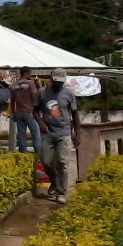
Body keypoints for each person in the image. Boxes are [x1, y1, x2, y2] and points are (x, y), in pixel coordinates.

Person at [34, 68, 80, 204]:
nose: (58, 84)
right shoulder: (42, 93)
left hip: (64, 133)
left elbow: (75, 114)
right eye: (56, 81)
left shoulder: (69, 94)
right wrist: (41, 123)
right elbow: (34, 111)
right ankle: (54, 181)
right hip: (48, 133)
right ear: (51, 79)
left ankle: (61, 192)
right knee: (46, 161)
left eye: (60, 82)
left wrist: (77, 133)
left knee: (62, 163)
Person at [10, 66, 41, 156]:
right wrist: (37, 109)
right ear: (26, 73)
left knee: (21, 135)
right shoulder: (30, 83)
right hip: (29, 111)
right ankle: (38, 155)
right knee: (36, 133)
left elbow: (12, 101)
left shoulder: (14, 85)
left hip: (18, 112)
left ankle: (22, 154)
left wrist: (13, 112)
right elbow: (34, 97)